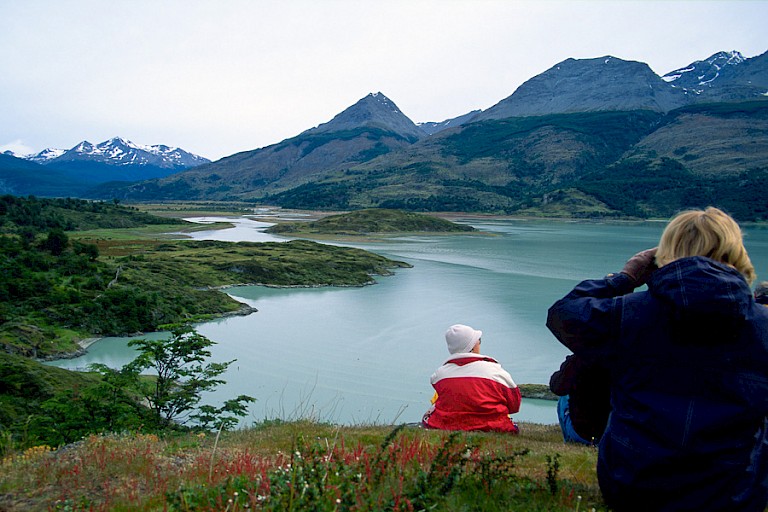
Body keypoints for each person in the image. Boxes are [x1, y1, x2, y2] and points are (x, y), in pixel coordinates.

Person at [546, 207, 768, 511]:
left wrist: (624, 278)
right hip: (734, 493)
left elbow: (563, 314)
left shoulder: (628, 313)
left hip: (632, 484)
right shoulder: (762, 326)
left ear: (665, 251)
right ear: (735, 251)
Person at [422, 324, 521, 433]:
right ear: (472, 346)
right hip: (493, 426)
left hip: (448, 425)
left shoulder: (439, 375)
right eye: (479, 340)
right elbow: (514, 405)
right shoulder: (495, 371)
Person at [549, 353, 610, 445]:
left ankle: (569, 440)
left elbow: (556, 387)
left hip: (581, 434)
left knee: (564, 397)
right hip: (610, 434)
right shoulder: (617, 360)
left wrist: (568, 364)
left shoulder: (578, 360)